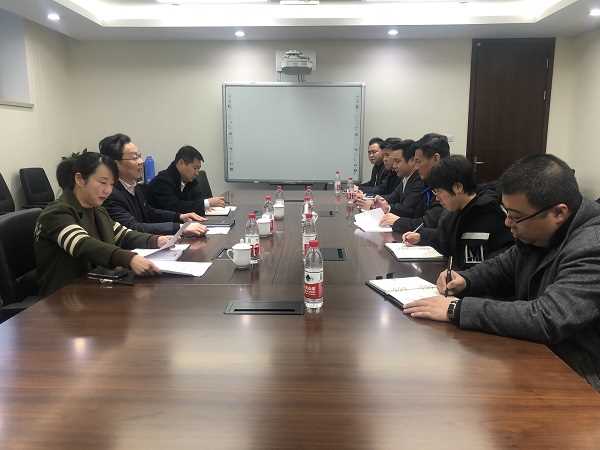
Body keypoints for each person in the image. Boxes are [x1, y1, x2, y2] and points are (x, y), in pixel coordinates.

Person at [402, 154, 600, 391]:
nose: (507, 223)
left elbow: (548, 318)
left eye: (516, 217)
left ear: (559, 213)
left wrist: (457, 309)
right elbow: (505, 264)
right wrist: (465, 279)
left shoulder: (592, 246)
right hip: (540, 354)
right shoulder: (541, 232)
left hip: (580, 374)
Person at [35, 152, 170, 297]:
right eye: (103, 182)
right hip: (63, 297)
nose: (108, 190)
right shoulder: (56, 213)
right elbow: (81, 243)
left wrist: (156, 240)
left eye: (111, 184)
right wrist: (128, 258)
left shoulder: (98, 210)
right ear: (80, 179)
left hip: (96, 288)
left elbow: (123, 235)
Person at [401, 155, 513, 270]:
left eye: (439, 191)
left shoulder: (486, 214)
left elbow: (474, 265)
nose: (437, 198)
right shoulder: (456, 209)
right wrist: (421, 236)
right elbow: (446, 239)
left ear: (458, 187)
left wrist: (463, 277)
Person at [99, 133, 207, 237]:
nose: (141, 162)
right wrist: (179, 227)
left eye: (140, 156)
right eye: (134, 158)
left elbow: (149, 212)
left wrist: (179, 216)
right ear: (115, 164)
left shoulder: (135, 187)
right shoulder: (109, 194)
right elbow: (133, 227)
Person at [380, 134, 450, 242]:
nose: (416, 167)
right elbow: (417, 215)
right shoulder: (428, 182)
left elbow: (428, 223)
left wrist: (398, 221)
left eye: (418, 161)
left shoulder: (447, 185)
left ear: (436, 158)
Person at [146, 146, 225, 215]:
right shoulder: (162, 181)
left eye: (198, 169)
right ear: (181, 163)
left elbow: (198, 200)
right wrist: (206, 203)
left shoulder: (189, 180)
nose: (197, 173)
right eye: (195, 168)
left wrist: (206, 204)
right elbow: (175, 207)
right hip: (165, 226)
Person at [356, 139, 424, 218]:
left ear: (412, 160)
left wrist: (384, 207)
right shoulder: (405, 177)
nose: (394, 166)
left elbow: (407, 209)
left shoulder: (419, 179)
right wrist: (375, 200)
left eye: (397, 161)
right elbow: (392, 197)